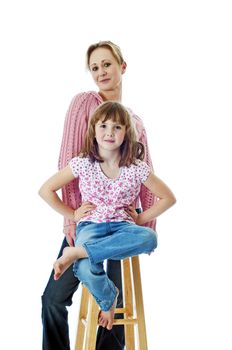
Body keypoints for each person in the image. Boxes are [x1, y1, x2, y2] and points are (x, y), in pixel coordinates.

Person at [41, 40, 156, 350]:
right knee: (52, 299)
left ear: (122, 66)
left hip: (121, 223)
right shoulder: (84, 103)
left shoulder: (136, 124)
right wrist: (71, 217)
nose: (101, 71)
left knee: (114, 313)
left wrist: (145, 223)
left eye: (107, 64)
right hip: (87, 221)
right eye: (95, 67)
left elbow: (147, 177)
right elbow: (69, 161)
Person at [39, 101, 176, 331]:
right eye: (103, 126)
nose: (109, 133)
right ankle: (108, 296)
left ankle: (79, 252)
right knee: (83, 268)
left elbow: (168, 197)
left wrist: (142, 219)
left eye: (117, 127)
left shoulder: (136, 167)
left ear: (126, 133)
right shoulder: (83, 163)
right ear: (93, 130)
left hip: (123, 227)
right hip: (91, 226)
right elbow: (46, 190)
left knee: (150, 238)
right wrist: (72, 213)